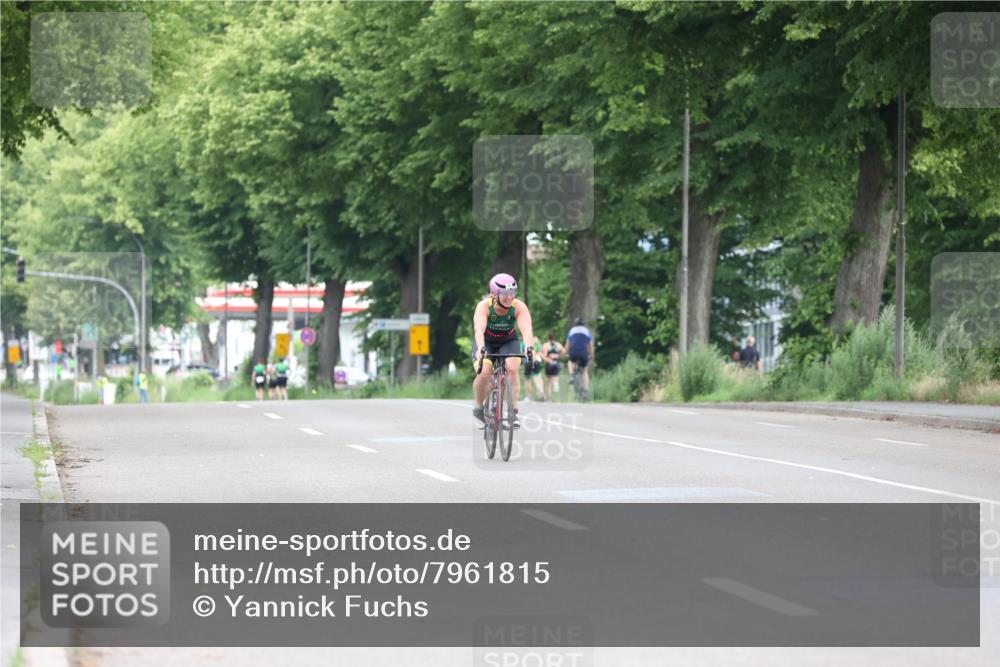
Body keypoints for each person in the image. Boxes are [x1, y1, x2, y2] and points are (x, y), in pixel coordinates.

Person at [472, 273, 535, 429]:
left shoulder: (518, 307)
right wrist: (480, 348)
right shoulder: (484, 306)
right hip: (486, 342)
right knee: (485, 372)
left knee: (513, 368)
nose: (509, 297)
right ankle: (479, 408)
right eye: (505, 294)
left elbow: (526, 329)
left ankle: (512, 412)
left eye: (512, 292)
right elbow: (479, 329)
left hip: (508, 341)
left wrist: (529, 348)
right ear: (494, 294)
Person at [565, 317, 595, 393]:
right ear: (583, 324)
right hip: (583, 352)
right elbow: (591, 345)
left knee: (570, 362)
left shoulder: (572, 331)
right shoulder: (587, 331)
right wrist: (591, 355)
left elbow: (568, 343)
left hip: (574, 352)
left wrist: (566, 352)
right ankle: (586, 388)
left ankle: (571, 375)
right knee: (585, 370)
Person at [541, 333, 566, 402]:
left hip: (549, 363)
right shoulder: (558, 344)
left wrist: (547, 359)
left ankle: (549, 398)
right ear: (553, 338)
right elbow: (564, 352)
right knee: (555, 377)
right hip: (557, 362)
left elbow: (544, 355)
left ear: (548, 338)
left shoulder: (545, 345)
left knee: (549, 381)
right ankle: (556, 384)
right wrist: (559, 355)